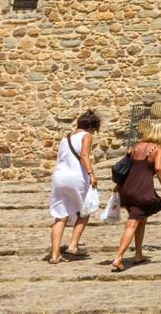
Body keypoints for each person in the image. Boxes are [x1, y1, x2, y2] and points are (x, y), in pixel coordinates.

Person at [110, 120, 161, 272]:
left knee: (141, 219)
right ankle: (118, 257)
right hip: (141, 190)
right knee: (132, 223)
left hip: (127, 188)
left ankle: (138, 254)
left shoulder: (135, 146)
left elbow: (126, 166)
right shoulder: (158, 149)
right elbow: (158, 168)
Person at [47, 111, 100, 263]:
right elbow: (84, 155)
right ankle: (73, 245)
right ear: (91, 127)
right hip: (76, 177)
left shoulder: (66, 137)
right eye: (94, 129)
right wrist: (91, 174)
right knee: (85, 211)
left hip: (59, 177)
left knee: (60, 216)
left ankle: (55, 255)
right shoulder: (86, 135)